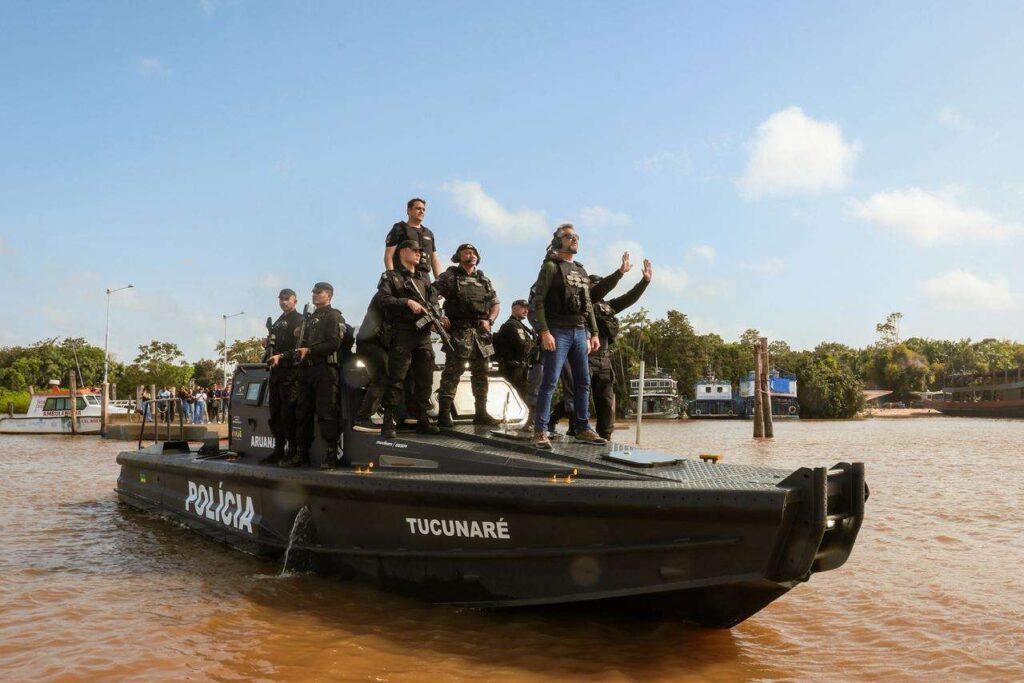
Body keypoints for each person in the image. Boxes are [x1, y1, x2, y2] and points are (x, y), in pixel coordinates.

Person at [529, 223, 606, 449]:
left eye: (576, 236)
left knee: (583, 382)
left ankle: (582, 427)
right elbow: (539, 301)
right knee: (550, 382)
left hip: (579, 331)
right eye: (568, 236)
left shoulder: (581, 270)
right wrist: (544, 331)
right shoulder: (551, 267)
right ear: (557, 241)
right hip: (557, 331)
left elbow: (589, 304)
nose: (574, 240)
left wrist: (594, 333)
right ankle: (540, 431)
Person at [376, 240, 441, 439]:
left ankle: (423, 418)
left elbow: (434, 303)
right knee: (397, 377)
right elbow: (384, 300)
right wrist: (406, 302)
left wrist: (435, 318)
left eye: (421, 252)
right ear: (403, 252)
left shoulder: (424, 279)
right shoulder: (391, 276)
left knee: (425, 378)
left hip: (422, 335)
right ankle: (388, 421)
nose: (419, 254)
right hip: (402, 332)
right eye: (415, 251)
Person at [432, 243, 501, 427]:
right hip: (459, 332)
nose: (471, 255)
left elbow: (495, 304)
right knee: (452, 373)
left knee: (481, 374)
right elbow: (431, 295)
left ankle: (481, 412)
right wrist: (440, 316)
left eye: (473, 253)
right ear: (459, 256)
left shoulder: (484, 280)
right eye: (466, 253)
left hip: (481, 334)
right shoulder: (449, 276)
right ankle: (444, 414)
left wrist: (490, 320)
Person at [279, 282, 345, 469]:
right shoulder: (307, 319)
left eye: (319, 292)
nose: (314, 294)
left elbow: (333, 343)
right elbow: (298, 347)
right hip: (305, 370)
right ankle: (301, 453)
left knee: (327, 412)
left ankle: (331, 453)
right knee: (302, 413)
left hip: (324, 370)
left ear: (329, 295)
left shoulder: (334, 316)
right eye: (313, 292)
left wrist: (310, 350)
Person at [587, 256, 653, 440]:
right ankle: (569, 427)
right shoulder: (581, 305)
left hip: (604, 358)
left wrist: (644, 282)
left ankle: (605, 436)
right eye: (596, 285)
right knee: (576, 396)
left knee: (606, 401)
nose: (600, 288)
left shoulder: (607, 307)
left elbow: (628, 299)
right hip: (584, 357)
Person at [262, 288, 305, 464]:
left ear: (295, 300)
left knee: (289, 413)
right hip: (276, 373)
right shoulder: (278, 322)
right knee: (275, 412)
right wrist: (267, 345)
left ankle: (292, 450)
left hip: (290, 372)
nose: (283, 302)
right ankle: (278, 449)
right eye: (281, 299)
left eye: (287, 299)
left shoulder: (299, 319)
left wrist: (282, 357)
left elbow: (298, 348)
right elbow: (273, 346)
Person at [494, 298, 537, 430]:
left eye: (527, 308)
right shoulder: (512, 326)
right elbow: (524, 347)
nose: (526, 310)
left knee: (524, 395)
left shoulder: (520, 326)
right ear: (514, 308)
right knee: (525, 395)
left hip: (519, 367)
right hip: (513, 368)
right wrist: (536, 345)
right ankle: (531, 421)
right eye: (522, 307)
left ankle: (531, 421)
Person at [353, 292, 389, 431]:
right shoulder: (386, 294)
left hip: (374, 343)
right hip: (372, 343)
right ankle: (362, 419)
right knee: (382, 378)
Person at [384, 198, 442, 282]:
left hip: (424, 278)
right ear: (409, 211)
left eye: (423, 209)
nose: (422, 211)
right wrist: (392, 277)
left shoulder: (429, 233)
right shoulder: (399, 228)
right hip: (403, 275)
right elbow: (388, 255)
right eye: (418, 208)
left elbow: (434, 259)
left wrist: (439, 282)